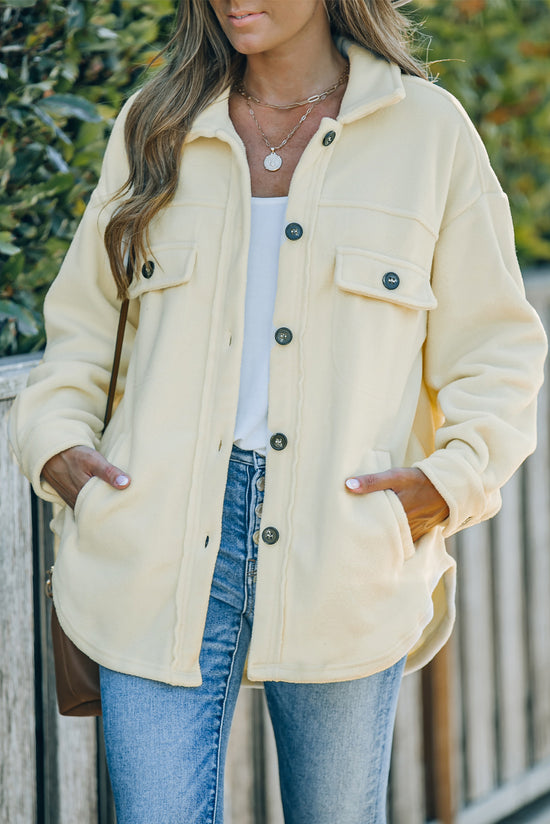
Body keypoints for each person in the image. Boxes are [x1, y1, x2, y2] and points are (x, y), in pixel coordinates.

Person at [9, 0, 547, 821]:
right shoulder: (155, 125)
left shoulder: (428, 134)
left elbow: (496, 351)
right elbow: (84, 326)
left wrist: (448, 484)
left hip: (346, 544)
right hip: (154, 537)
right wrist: (59, 453)